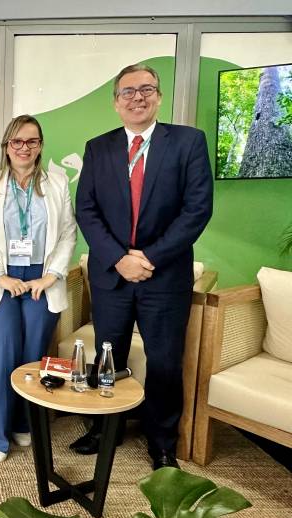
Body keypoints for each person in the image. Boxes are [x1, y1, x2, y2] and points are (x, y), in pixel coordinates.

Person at [75, 64, 213, 470]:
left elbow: (197, 209)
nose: (138, 97)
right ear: (116, 103)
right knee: (108, 356)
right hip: (112, 275)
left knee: (165, 362)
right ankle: (106, 428)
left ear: (159, 96)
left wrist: (148, 258)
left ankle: (162, 443)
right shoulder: (98, 148)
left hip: (164, 275)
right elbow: (87, 210)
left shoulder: (188, 142)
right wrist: (120, 259)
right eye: (128, 91)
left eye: (146, 89)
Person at [0, 115, 77, 462]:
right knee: (1, 350)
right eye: (17, 141)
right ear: (6, 147)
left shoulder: (57, 182)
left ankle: (23, 423)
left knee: (32, 354)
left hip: (41, 279)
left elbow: (68, 232)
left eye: (31, 141)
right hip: (0, 279)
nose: (24, 148)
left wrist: (52, 275)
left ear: (40, 146)